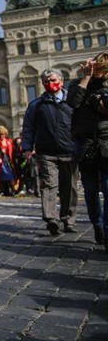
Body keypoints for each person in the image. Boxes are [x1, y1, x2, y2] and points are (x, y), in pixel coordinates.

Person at [21, 68, 78, 236]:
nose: (50, 84)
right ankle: (51, 219)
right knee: (49, 185)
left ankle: (68, 220)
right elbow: (28, 128)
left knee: (70, 187)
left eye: (53, 80)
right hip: (47, 153)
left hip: (70, 151)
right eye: (46, 81)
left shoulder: (73, 102)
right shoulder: (36, 105)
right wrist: (26, 147)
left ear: (61, 81)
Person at [67, 53, 108, 252]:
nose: (100, 76)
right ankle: (98, 227)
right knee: (91, 192)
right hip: (86, 144)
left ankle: (107, 231)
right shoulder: (78, 84)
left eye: (103, 72)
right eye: (97, 72)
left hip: (107, 142)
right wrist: (86, 77)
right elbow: (72, 102)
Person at [0, 126, 17, 196]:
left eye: (3, 134)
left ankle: (14, 189)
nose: (2, 136)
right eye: (0, 134)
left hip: (7, 161)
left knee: (11, 175)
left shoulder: (9, 141)